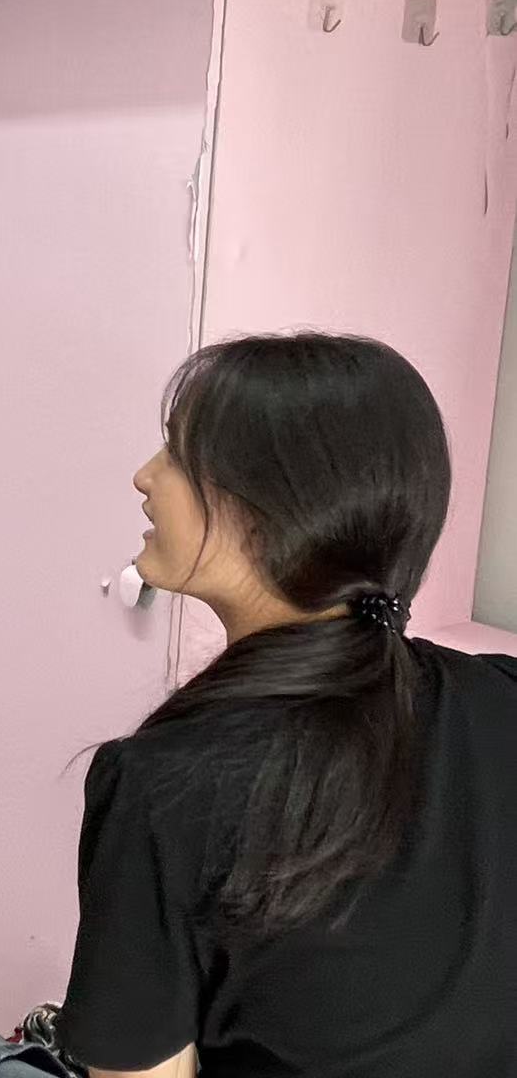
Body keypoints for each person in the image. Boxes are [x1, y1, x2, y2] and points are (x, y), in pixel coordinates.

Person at [57, 334, 517, 1077]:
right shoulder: (501, 694)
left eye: (177, 455)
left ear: (273, 512)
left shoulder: (163, 785)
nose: (145, 476)